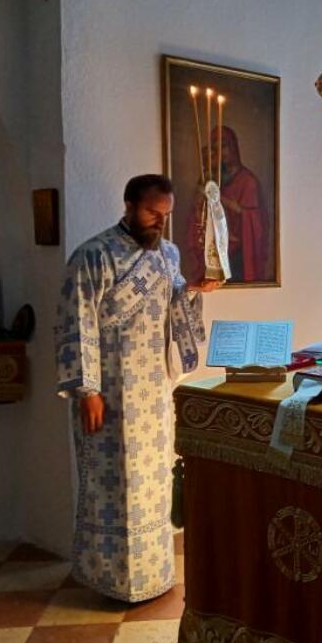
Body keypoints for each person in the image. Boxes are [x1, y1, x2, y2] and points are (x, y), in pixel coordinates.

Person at [55, 174, 219, 602]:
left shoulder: (168, 253)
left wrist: (195, 290)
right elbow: (77, 322)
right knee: (111, 486)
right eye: (151, 212)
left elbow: (173, 302)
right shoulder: (93, 255)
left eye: (165, 215)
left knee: (153, 483)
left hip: (153, 392)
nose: (158, 222)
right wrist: (86, 390)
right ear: (128, 204)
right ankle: (110, 578)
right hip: (107, 391)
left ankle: (153, 575)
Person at [214, 126, 270, 283]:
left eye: (224, 146)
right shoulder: (216, 180)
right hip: (219, 248)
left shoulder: (248, 181)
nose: (221, 152)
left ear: (233, 147)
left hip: (238, 251)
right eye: (216, 148)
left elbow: (254, 219)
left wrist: (222, 200)